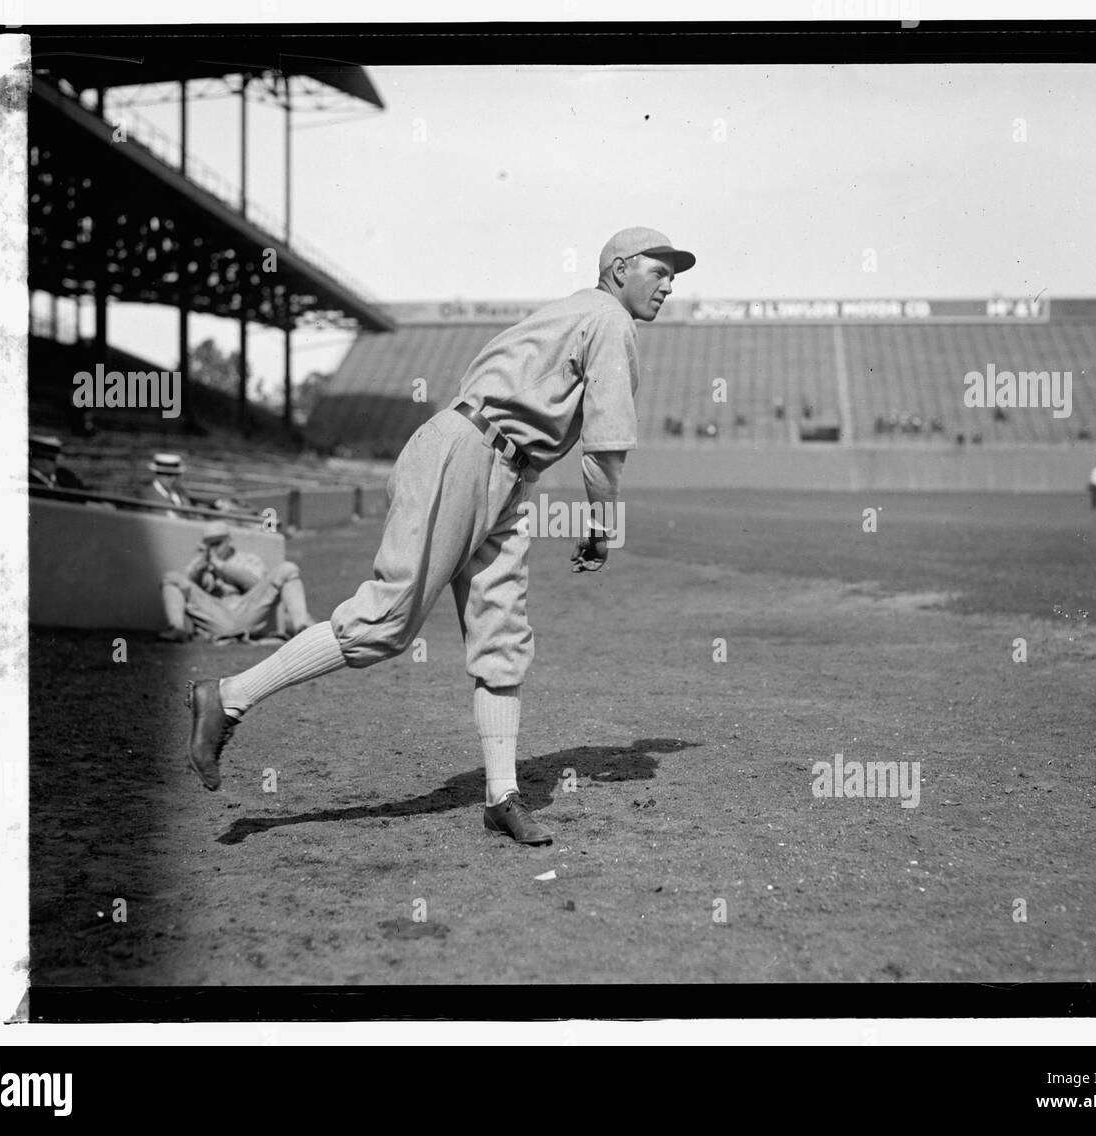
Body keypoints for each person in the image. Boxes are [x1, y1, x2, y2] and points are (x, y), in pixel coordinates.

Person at [185, 226, 695, 846]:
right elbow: (606, 445)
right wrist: (601, 526)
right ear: (619, 269)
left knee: (502, 633)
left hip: (504, 471)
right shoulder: (609, 320)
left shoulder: (574, 312)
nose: (669, 284)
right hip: (467, 454)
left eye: (675, 274)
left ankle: (501, 795)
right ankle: (229, 696)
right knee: (387, 621)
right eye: (659, 270)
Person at [160, 520, 315, 644]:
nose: (214, 548)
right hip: (217, 614)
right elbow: (189, 591)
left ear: (229, 540)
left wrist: (221, 566)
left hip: (248, 610)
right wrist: (200, 568)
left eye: (218, 542)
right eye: (210, 543)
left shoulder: (247, 559)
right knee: (171, 577)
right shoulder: (201, 563)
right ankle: (177, 629)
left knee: (288, 568)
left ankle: (302, 628)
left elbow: (256, 584)